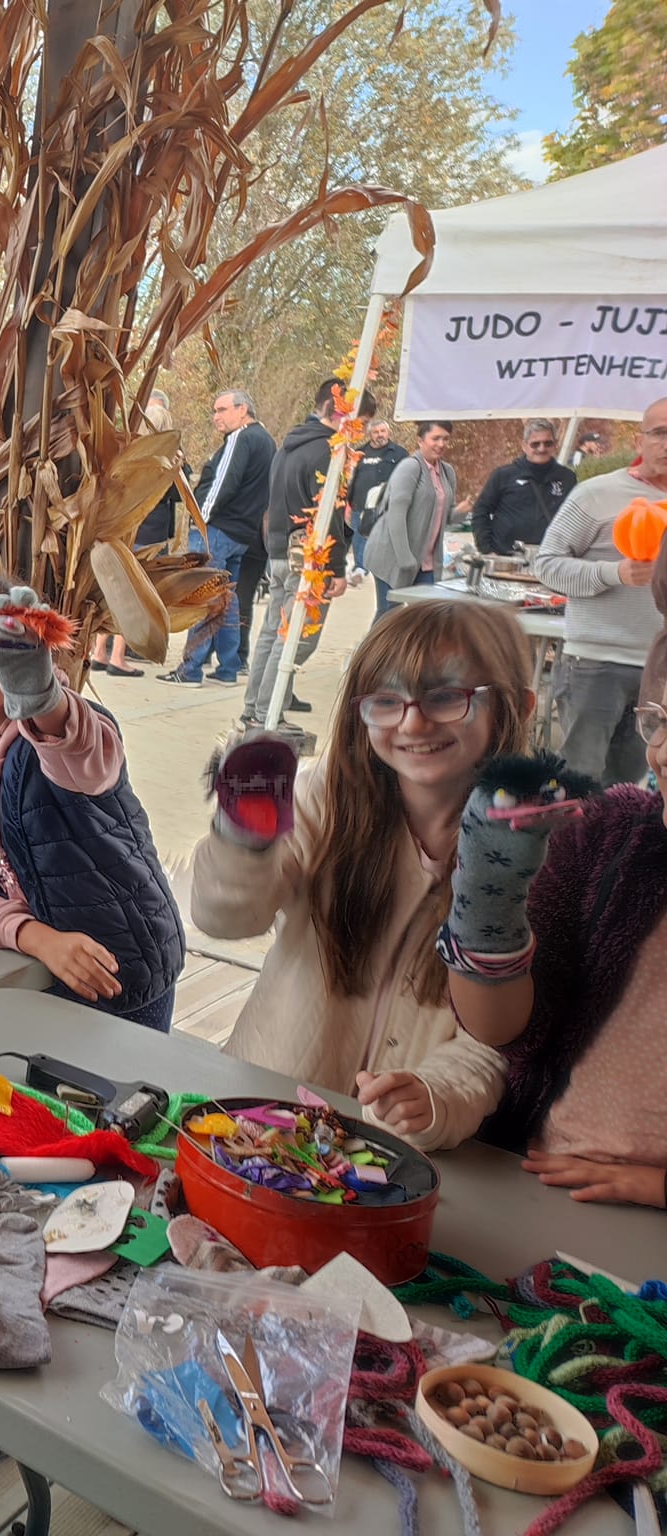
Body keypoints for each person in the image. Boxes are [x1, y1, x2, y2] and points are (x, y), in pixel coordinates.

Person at [190, 600, 533, 1149]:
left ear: (514, 706)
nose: (413, 721)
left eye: (445, 697)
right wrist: (243, 838)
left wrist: (438, 1094)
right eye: (386, 701)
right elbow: (225, 917)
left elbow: (494, 1038)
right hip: (260, 1113)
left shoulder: (531, 851)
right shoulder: (324, 794)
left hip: (393, 1155)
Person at [0, 571, 183, 1029]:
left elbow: (86, 759)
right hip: (33, 965)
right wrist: (37, 938)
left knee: (126, 1097)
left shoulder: (62, 726)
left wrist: (40, 699)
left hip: (121, 964)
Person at [439, 708, 666, 1209]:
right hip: (532, 1181)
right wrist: (487, 904)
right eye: (662, 719)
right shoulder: (610, 835)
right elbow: (506, 1031)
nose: (664, 753)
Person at [532, 396, 667, 785]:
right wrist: (615, 573)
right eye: (659, 433)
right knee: (578, 783)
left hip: (657, 670)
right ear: (640, 442)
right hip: (594, 663)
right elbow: (547, 565)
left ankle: (615, 849)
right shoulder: (596, 494)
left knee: (630, 787)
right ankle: (566, 849)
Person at [237, 379, 351, 729]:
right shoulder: (327, 451)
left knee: (273, 633)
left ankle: (256, 707)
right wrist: (336, 567)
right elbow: (327, 510)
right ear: (337, 411)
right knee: (297, 638)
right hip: (308, 558)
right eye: (355, 418)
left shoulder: (288, 446)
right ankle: (266, 714)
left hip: (278, 549)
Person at [159, 388, 274, 686]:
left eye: (222, 410)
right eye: (214, 411)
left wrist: (200, 520)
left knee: (202, 596)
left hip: (218, 530)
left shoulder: (241, 438)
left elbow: (223, 482)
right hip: (242, 533)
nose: (216, 417)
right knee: (227, 599)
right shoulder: (266, 441)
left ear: (242, 409)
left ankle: (190, 669)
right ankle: (228, 667)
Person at [88, 391, 180, 678]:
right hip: (148, 530)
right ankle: (118, 657)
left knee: (113, 588)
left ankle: (99, 652)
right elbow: (174, 496)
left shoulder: (124, 456)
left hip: (121, 529)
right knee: (132, 595)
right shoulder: (165, 460)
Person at [365, 420, 456, 617]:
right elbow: (396, 515)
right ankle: (370, 648)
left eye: (446, 439)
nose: (441, 444)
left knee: (427, 615)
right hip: (393, 555)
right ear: (420, 440)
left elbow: (447, 517)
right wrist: (405, 559)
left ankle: (413, 649)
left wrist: (463, 511)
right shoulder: (410, 467)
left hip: (426, 561)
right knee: (390, 614)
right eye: (436, 438)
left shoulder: (447, 472)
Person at [469, 419, 575, 557]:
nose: (542, 448)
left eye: (547, 443)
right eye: (535, 444)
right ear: (524, 446)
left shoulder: (567, 478)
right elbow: (480, 511)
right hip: (506, 559)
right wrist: (487, 550)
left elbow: (574, 518)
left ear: (555, 445)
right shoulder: (503, 475)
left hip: (550, 559)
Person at [348, 415, 407, 574]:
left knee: (373, 537)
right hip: (358, 504)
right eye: (376, 432)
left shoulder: (399, 454)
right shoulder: (359, 453)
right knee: (357, 536)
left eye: (383, 431)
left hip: (382, 506)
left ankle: (364, 567)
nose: (380, 435)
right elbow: (350, 476)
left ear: (388, 432)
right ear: (370, 434)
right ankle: (360, 565)